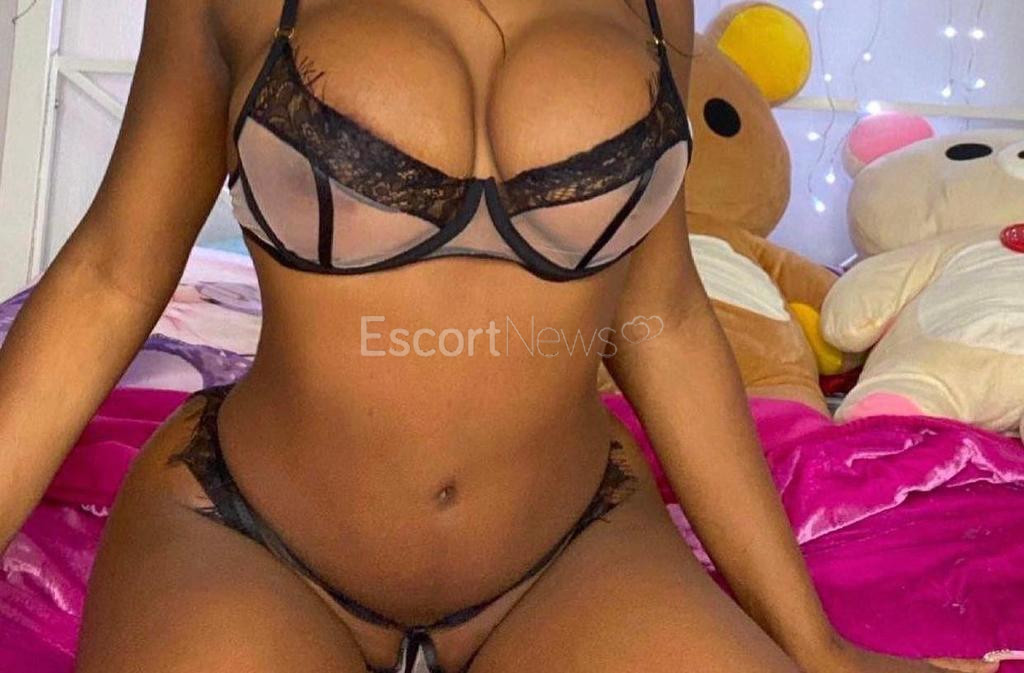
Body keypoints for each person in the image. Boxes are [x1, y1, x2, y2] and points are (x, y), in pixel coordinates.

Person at [0, 1, 998, 672]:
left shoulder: (655, 6)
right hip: (253, 532)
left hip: (568, 543)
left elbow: (662, 314)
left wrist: (814, 647)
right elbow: (110, 277)